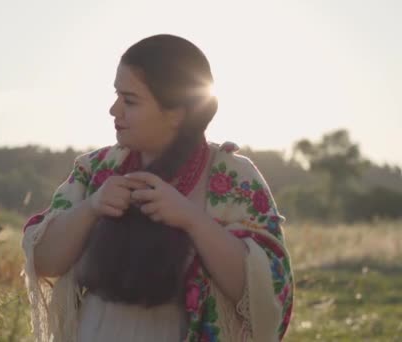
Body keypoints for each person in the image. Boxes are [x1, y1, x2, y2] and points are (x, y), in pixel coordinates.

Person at [21, 34, 293, 342]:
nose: (114, 110)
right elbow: (43, 261)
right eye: (116, 95)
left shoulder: (233, 175)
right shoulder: (95, 170)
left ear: (176, 113)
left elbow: (265, 292)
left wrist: (190, 219)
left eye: (130, 101)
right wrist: (92, 207)